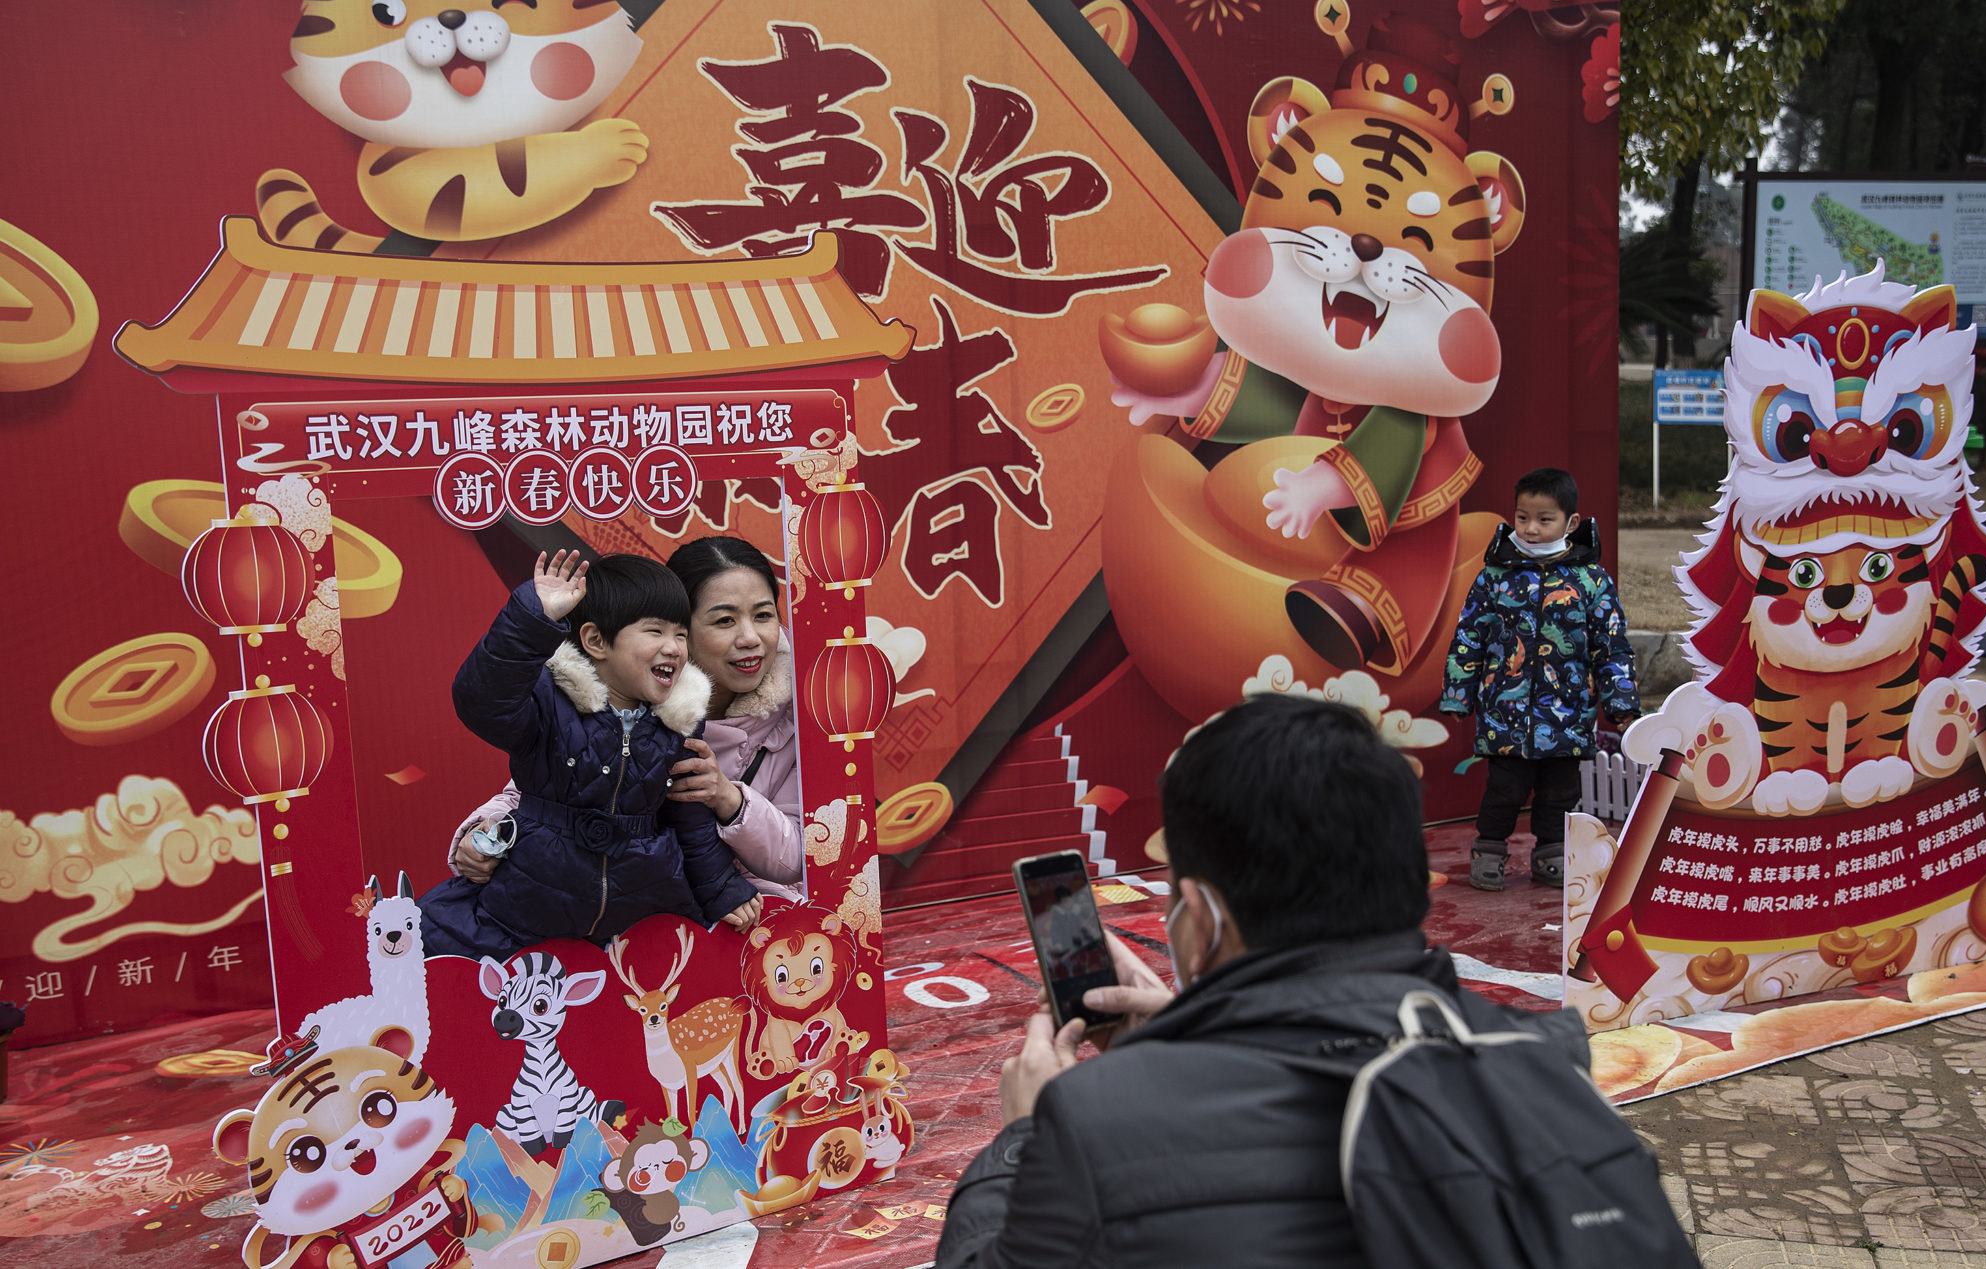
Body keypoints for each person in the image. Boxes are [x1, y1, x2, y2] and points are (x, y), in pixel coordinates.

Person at [933, 693, 1585, 1268]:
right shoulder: (1549, 1064)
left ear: (1202, 922)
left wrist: (1023, 1139)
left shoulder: (1093, 1128)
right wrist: (1208, 1039)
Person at [417, 551, 762, 959]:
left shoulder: (679, 720)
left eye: (681, 634)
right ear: (597, 641)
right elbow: (481, 700)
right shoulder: (548, 702)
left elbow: (689, 820)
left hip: (637, 911)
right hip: (528, 905)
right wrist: (533, 619)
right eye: (655, 631)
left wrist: (721, 887)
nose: (674, 648)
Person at [447, 536, 804, 901]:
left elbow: (801, 860)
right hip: (628, 905)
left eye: (763, 615)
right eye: (724, 620)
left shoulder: (808, 709)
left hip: (752, 915)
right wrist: (483, 833)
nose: (750, 638)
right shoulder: (618, 696)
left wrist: (730, 800)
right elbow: (539, 791)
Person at [1438, 467, 1639, 892]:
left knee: (1560, 794)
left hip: (1568, 717)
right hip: (1505, 716)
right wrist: (1458, 694)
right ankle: (1489, 851)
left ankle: (1551, 855)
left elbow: (1612, 647)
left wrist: (1621, 705)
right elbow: (1469, 637)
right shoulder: (1494, 576)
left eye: (1544, 519)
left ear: (1571, 523)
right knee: (1503, 789)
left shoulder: (1591, 581)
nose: (1530, 529)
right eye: (1522, 517)